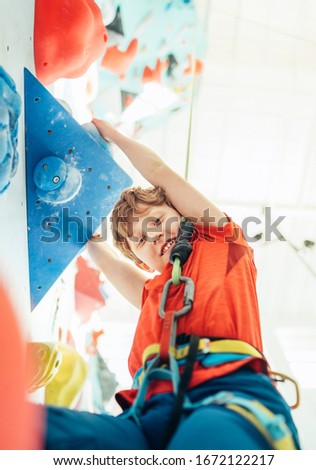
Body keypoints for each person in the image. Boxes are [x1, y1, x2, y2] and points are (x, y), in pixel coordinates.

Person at [42, 118, 301, 450]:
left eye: (159, 220)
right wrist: (83, 235)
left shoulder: (223, 244)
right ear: (141, 262)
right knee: (40, 430)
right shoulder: (154, 294)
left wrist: (115, 136)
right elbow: (108, 261)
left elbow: (161, 172)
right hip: (145, 416)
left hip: (227, 396)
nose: (152, 235)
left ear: (184, 216)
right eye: (139, 240)